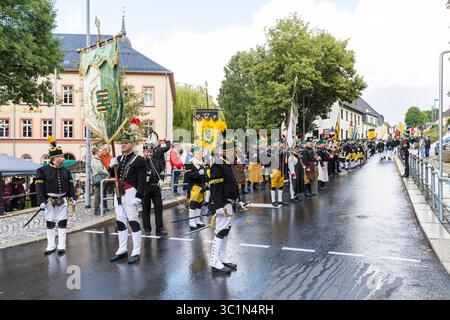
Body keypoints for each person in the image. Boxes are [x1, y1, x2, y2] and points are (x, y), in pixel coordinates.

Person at [208, 137, 247, 274]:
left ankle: (222, 257)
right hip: (223, 204)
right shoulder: (218, 165)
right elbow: (215, 188)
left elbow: (233, 186)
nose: (234, 153)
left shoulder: (226, 163)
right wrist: (218, 206)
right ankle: (214, 261)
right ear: (225, 151)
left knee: (225, 231)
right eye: (232, 150)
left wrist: (239, 200)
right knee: (220, 231)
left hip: (229, 203)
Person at [108, 133, 147, 264]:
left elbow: (142, 179)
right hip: (118, 192)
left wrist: (139, 196)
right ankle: (122, 249)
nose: (123, 144)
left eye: (126, 142)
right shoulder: (119, 158)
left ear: (133, 144)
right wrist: (111, 166)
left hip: (131, 193)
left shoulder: (139, 159)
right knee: (120, 221)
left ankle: (136, 251)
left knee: (133, 221)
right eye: (122, 142)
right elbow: (112, 175)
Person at [35, 136, 76, 255]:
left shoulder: (65, 171)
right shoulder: (42, 170)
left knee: (63, 222)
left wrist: (73, 197)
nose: (63, 158)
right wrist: (41, 200)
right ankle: (51, 245)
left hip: (62, 200)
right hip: (49, 201)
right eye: (60, 157)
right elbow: (39, 187)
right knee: (50, 223)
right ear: (54, 158)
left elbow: (70, 185)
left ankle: (62, 245)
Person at [142, 143, 167, 236]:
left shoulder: (156, 161)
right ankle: (147, 229)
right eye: (147, 152)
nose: (149, 154)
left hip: (156, 187)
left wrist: (161, 180)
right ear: (143, 152)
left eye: (151, 152)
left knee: (159, 208)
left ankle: (159, 228)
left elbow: (160, 173)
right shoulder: (141, 162)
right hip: (146, 188)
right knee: (146, 209)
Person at [184, 145, 207, 231]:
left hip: (201, 187)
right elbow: (188, 175)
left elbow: (204, 175)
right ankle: (191, 222)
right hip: (193, 187)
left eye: (201, 153)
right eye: (198, 153)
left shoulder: (201, 162)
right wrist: (198, 174)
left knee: (199, 204)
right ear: (194, 153)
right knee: (193, 204)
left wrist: (207, 182)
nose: (200, 154)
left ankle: (197, 220)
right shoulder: (189, 163)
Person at [91, 147, 109, 216]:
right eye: (99, 151)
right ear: (96, 152)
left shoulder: (97, 159)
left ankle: (98, 208)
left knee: (99, 194)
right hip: (98, 178)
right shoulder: (94, 160)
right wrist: (106, 172)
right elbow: (99, 169)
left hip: (100, 178)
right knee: (98, 194)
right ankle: (96, 209)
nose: (100, 153)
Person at [270, 143, 288, 207]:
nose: (277, 144)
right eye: (276, 143)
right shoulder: (270, 152)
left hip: (281, 170)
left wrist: (285, 150)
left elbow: (284, 156)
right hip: (274, 170)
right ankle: (273, 201)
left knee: (281, 186)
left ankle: (280, 200)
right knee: (273, 186)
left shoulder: (281, 151)